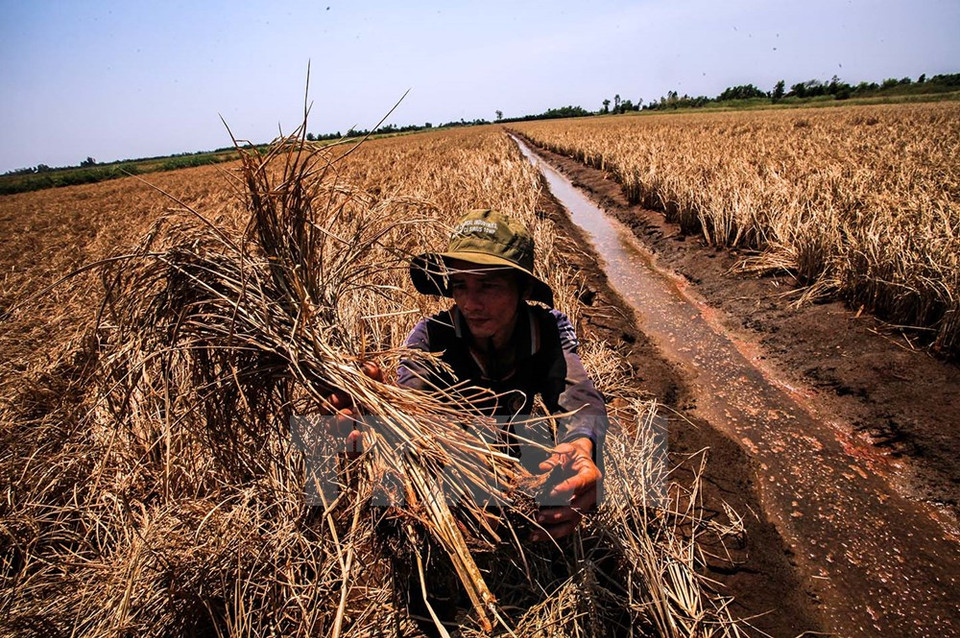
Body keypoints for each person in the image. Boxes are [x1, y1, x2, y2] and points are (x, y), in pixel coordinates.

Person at [397, 208, 606, 541]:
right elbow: (410, 404)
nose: (471, 303)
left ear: (523, 290)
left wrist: (581, 443)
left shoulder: (547, 330)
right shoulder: (430, 338)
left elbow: (578, 396)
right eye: (460, 285)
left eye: (488, 285)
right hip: (453, 459)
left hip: (514, 457)